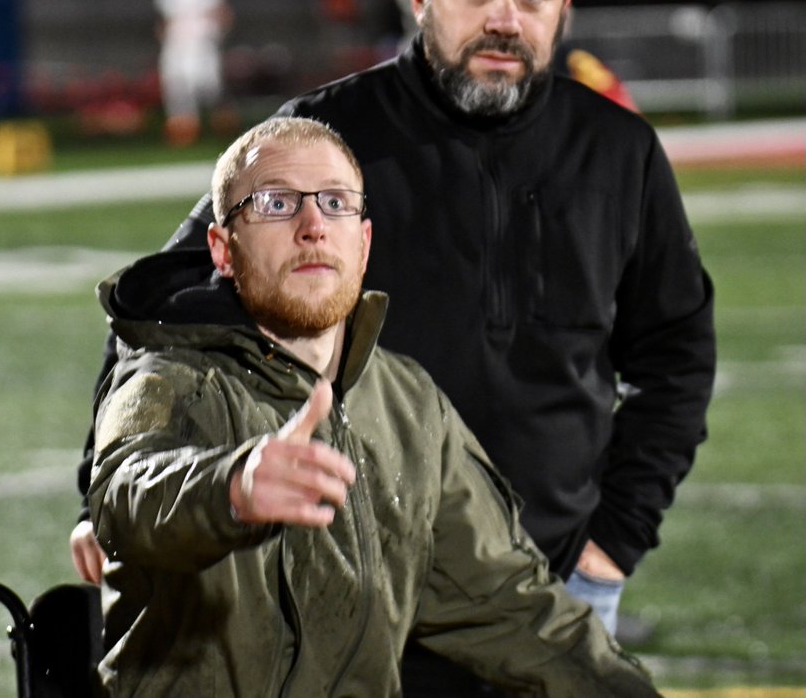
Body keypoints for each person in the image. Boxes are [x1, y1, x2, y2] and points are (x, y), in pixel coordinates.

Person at [74, 0, 716, 694]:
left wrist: (610, 549)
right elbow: (162, 311)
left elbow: (676, 357)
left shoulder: (620, 154)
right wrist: (104, 494)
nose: (504, 18)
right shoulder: (323, 142)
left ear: (564, 6)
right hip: (355, 593)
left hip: (544, 591)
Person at [89, 116, 663, 697]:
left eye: (334, 203)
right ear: (222, 250)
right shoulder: (170, 377)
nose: (312, 225)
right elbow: (126, 495)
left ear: (362, 244)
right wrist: (231, 487)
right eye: (275, 203)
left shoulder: (409, 404)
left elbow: (513, 608)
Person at [152, 0, 234, 146]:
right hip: (177, 47)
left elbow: (224, 14)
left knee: (211, 89)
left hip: (202, 46)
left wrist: (217, 35)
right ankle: (184, 134)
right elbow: (163, 23)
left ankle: (225, 128)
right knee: (177, 89)